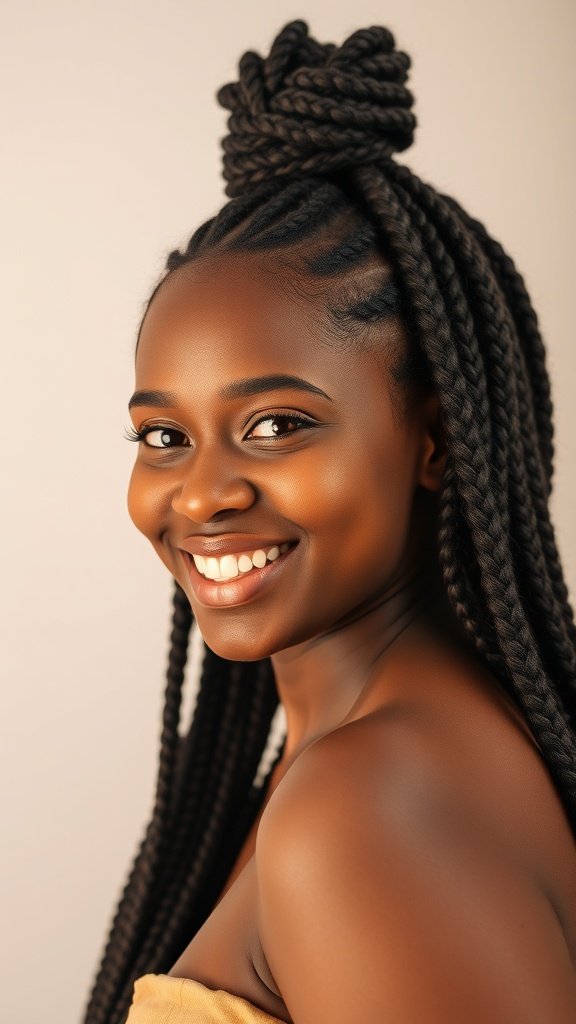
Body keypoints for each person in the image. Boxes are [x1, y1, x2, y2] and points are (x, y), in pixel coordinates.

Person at [81, 20, 576, 1024]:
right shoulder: (368, 757)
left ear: (433, 440)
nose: (202, 493)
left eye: (275, 424)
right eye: (165, 436)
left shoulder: (366, 806)